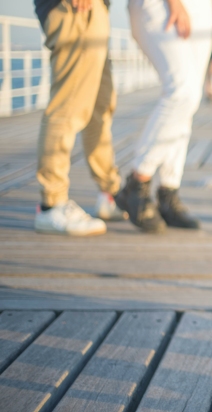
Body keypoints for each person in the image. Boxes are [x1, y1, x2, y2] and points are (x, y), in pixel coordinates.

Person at [116, 0, 212, 232]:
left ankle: (168, 193)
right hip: (161, 4)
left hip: (203, 8)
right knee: (183, 92)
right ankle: (137, 182)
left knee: (188, 102)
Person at [33, 0, 126, 236]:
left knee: (99, 107)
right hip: (74, 9)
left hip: (95, 10)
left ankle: (109, 193)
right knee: (68, 106)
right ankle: (51, 205)